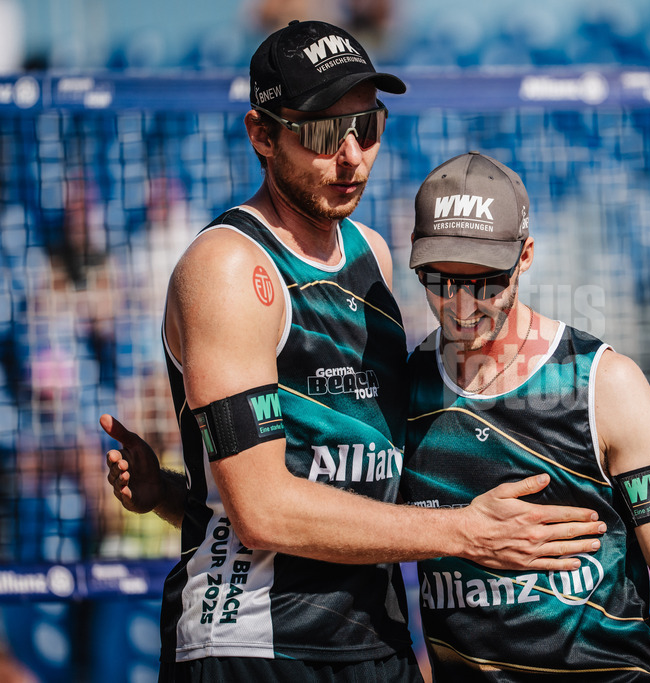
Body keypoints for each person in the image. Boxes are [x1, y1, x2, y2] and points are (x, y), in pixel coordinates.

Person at [100, 21, 604, 682]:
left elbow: (332, 475)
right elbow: (261, 512)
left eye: (366, 127)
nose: (350, 156)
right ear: (262, 134)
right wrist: (466, 532)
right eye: (319, 133)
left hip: (374, 637)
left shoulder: (373, 254)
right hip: (254, 642)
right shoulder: (228, 267)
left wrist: (174, 491)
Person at [401, 152, 650, 681]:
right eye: (439, 281)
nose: (461, 307)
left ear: (525, 256)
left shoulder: (604, 384)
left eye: (484, 282)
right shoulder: (404, 391)